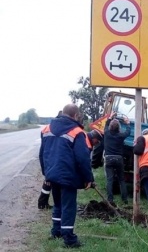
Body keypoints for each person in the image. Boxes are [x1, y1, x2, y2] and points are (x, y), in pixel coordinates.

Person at [39, 104, 96, 248]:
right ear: (76, 116)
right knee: (69, 207)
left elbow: (42, 154)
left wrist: (46, 173)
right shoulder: (77, 132)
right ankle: (69, 239)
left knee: (57, 204)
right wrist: (88, 178)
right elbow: (83, 158)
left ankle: (56, 231)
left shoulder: (46, 129)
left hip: (52, 174)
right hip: (68, 176)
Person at [103, 112, 131, 205]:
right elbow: (128, 132)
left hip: (108, 158)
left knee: (109, 180)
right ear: (119, 127)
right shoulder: (120, 136)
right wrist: (127, 123)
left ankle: (110, 199)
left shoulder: (106, 133)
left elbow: (106, 125)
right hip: (119, 159)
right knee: (121, 179)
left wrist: (110, 117)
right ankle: (125, 199)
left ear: (110, 127)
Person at [38, 110, 62, 210]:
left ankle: (43, 203)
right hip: (53, 159)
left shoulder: (46, 128)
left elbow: (42, 152)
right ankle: (42, 203)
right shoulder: (59, 128)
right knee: (49, 182)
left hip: (48, 160)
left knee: (48, 182)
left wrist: (45, 171)